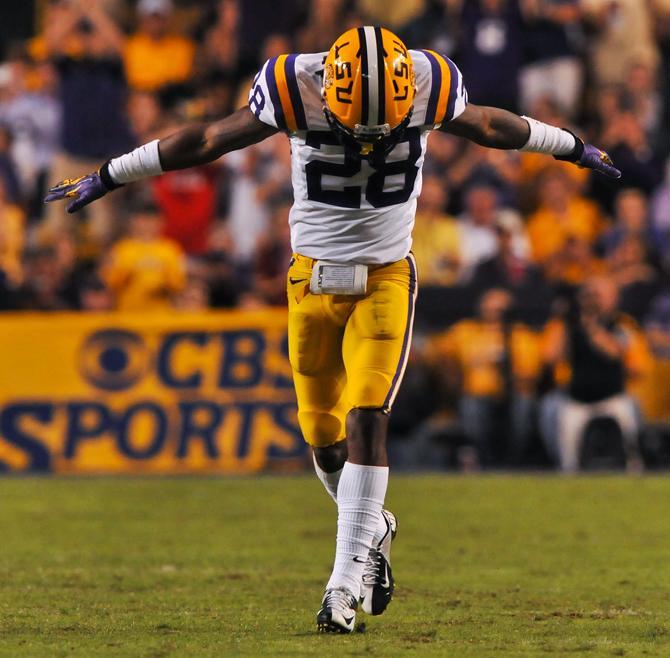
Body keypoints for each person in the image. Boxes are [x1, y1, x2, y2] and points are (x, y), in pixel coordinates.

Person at [44, 25, 620, 634]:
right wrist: (112, 173)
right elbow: (209, 138)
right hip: (310, 277)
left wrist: (570, 145)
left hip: (387, 276)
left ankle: (341, 589)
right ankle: (374, 525)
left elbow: (491, 126)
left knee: (368, 413)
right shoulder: (294, 85)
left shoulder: (428, 80)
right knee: (323, 437)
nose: (370, 139)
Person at [541, 277, 651, 472]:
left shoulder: (620, 324)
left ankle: (635, 466)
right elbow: (551, 357)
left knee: (632, 413)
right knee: (552, 409)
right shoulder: (569, 323)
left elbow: (614, 353)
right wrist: (567, 321)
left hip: (613, 397)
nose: (592, 301)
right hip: (576, 398)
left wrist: (590, 326)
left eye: (597, 296)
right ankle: (566, 469)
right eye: (589, 295)